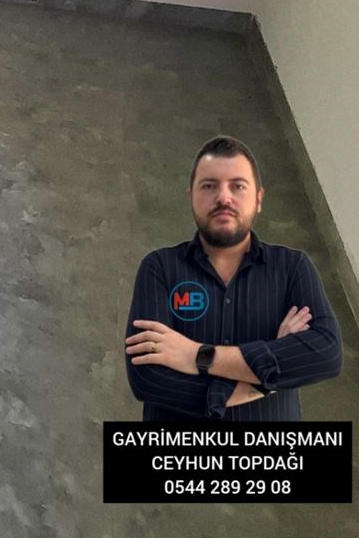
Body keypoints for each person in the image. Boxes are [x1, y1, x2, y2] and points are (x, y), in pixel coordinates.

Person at [124, 136, 343, 420]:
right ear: (191, 197)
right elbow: (148, 378)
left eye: (238, 186)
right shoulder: (160, 267)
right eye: (209, 186)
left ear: (258, 199)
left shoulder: (292, 268)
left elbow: (326, 353)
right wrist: (265, 380)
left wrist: (197, 355)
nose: (223, 198)